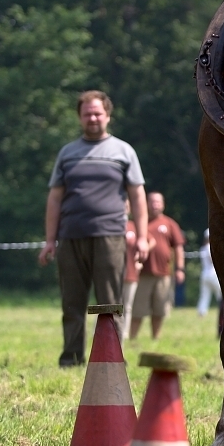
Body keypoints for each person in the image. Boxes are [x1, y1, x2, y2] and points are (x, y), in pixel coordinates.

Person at [39, 90, 148, 367]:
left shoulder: (124, 151)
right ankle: (71, 358)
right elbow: (54, 198)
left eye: (98, 113)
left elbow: (137, 196)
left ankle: (110, 360)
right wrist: (50, 240)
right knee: (72, 303)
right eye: (87, 114)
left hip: (110, 236)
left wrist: (143, 238)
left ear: (108, 116)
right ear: (80, 117)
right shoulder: (67, 153)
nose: (93, 118)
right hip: (70, 236)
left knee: (110, 303)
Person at [128, 191, 184, 340]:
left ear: (163, 204)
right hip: (142, 274)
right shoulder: (140, 222)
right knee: (138, 310)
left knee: (160, 310)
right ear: (146, 204)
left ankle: (155, 338)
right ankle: (132, 338)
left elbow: (178, 247)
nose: (155, 205)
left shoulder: (170, 224)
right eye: (152, 202)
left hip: (164, 274)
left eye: (158, 202)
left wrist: (180, 269)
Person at [121, 201, 141, 342]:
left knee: (127, 306)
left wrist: (139, 259)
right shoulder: (109, 225)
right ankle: (98, 332)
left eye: (127, 206)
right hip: (111, 273)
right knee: (106, 304)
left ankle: (124, 333)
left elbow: (149, 240)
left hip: (130, 271)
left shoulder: (134, 226)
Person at [197, 228, 222, 316]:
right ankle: (223, 308)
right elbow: (213, 260)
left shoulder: (202, 248)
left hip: (204, 274)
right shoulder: (210, 247)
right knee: (222, 293)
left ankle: (201, 312)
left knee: (204, 295)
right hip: (213, 274)